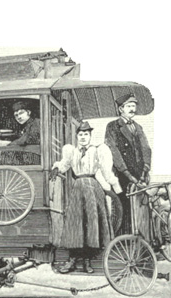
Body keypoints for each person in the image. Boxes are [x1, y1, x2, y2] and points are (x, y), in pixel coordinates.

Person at [49, 122, 122, 274]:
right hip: (77, 189)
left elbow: (106, 172)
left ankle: (87, 261)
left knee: (91, 225)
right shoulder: (71, 151)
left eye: (86, 134)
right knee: (76, 224)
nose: (83, 137)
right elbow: (64, 164)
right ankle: (72, 260)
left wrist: (117, 189)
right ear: (77, 137)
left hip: (93, 188)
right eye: (80, 135)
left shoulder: (97, 151)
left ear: (90, 136)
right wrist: (56, 168)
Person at [105, 93, 152, 235]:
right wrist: (126, 173)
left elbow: (146, 148)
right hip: (122, 175)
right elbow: (113, 151)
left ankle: (143, 243)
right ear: (121, 109)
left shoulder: (138, 127)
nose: (133, 109)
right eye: (129, 106)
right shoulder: (112, 126)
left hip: (140, 174)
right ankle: (123, 243)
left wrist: (145, 169)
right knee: (124, 208)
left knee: (142, 207)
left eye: (134, 106)